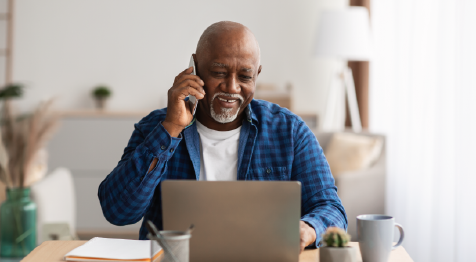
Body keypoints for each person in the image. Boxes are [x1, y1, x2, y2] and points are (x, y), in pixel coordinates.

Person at [98, 21, 347, 252]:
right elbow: (118, 212)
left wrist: (309, 228)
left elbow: (331, 208)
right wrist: (171, 128)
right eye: (219, 72)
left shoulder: (289, 131)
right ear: (194, 68)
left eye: (245, 76)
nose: (232, 87)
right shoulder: (156, 127)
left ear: (257, 74)